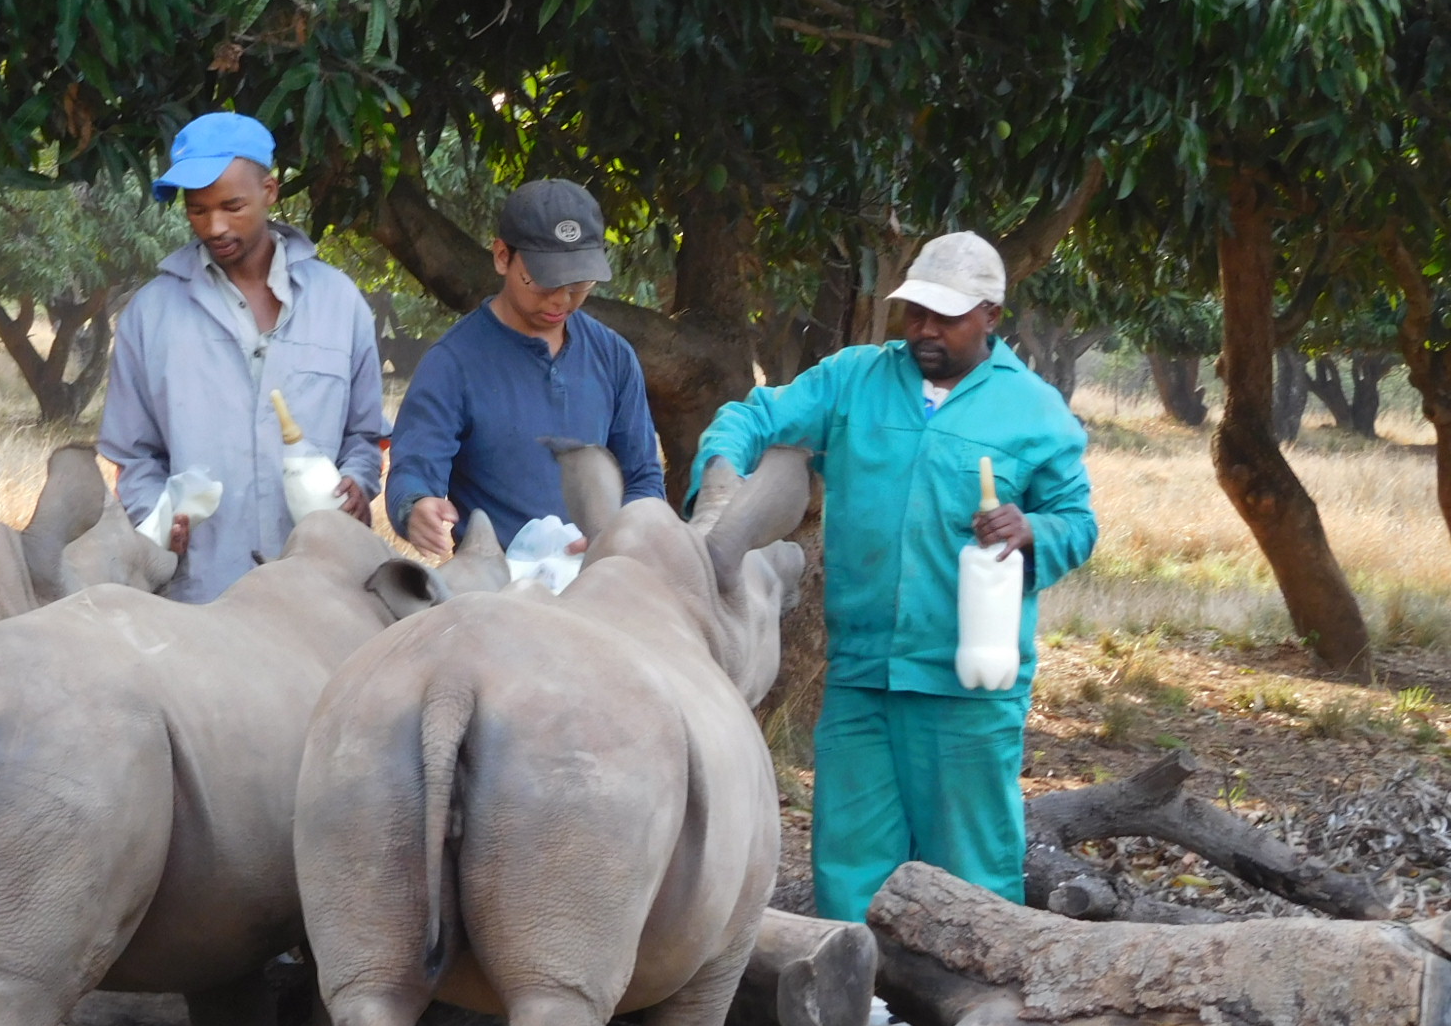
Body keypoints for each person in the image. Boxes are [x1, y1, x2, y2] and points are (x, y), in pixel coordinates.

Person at [692, 231, 1097, 923]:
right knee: (851, 860)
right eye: (916, 313)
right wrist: (720, 487)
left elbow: (1078, 520)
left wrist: (1036, 532)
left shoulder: (1033, 410)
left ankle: (971, 1013)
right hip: (861, 676)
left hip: (967, 683)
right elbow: (753, 416)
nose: (925, 330)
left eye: (946, 317)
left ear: (992, 316)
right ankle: (863, 1015)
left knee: (972, 868)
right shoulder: (856, 379)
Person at [99, 111, 383, 604]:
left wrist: (356, 484)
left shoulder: (339, 303)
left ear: (270, 190)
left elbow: (363, 435)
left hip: (322, 595)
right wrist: (156, 517)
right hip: (198, 598)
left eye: (233, 205)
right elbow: (133, 452)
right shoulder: (152, 314)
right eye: (197, 210)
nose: (215, 226)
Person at [384, 179, 665, 557]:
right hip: (497, 591)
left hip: (600, 584)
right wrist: (414, 507)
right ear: (502, 257)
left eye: (579, 283)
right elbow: (414, 468)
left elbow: (643, 478)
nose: (561, 298)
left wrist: (625, 535)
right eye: (542, 280)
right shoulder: (453, 363)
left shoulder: (613, 356)